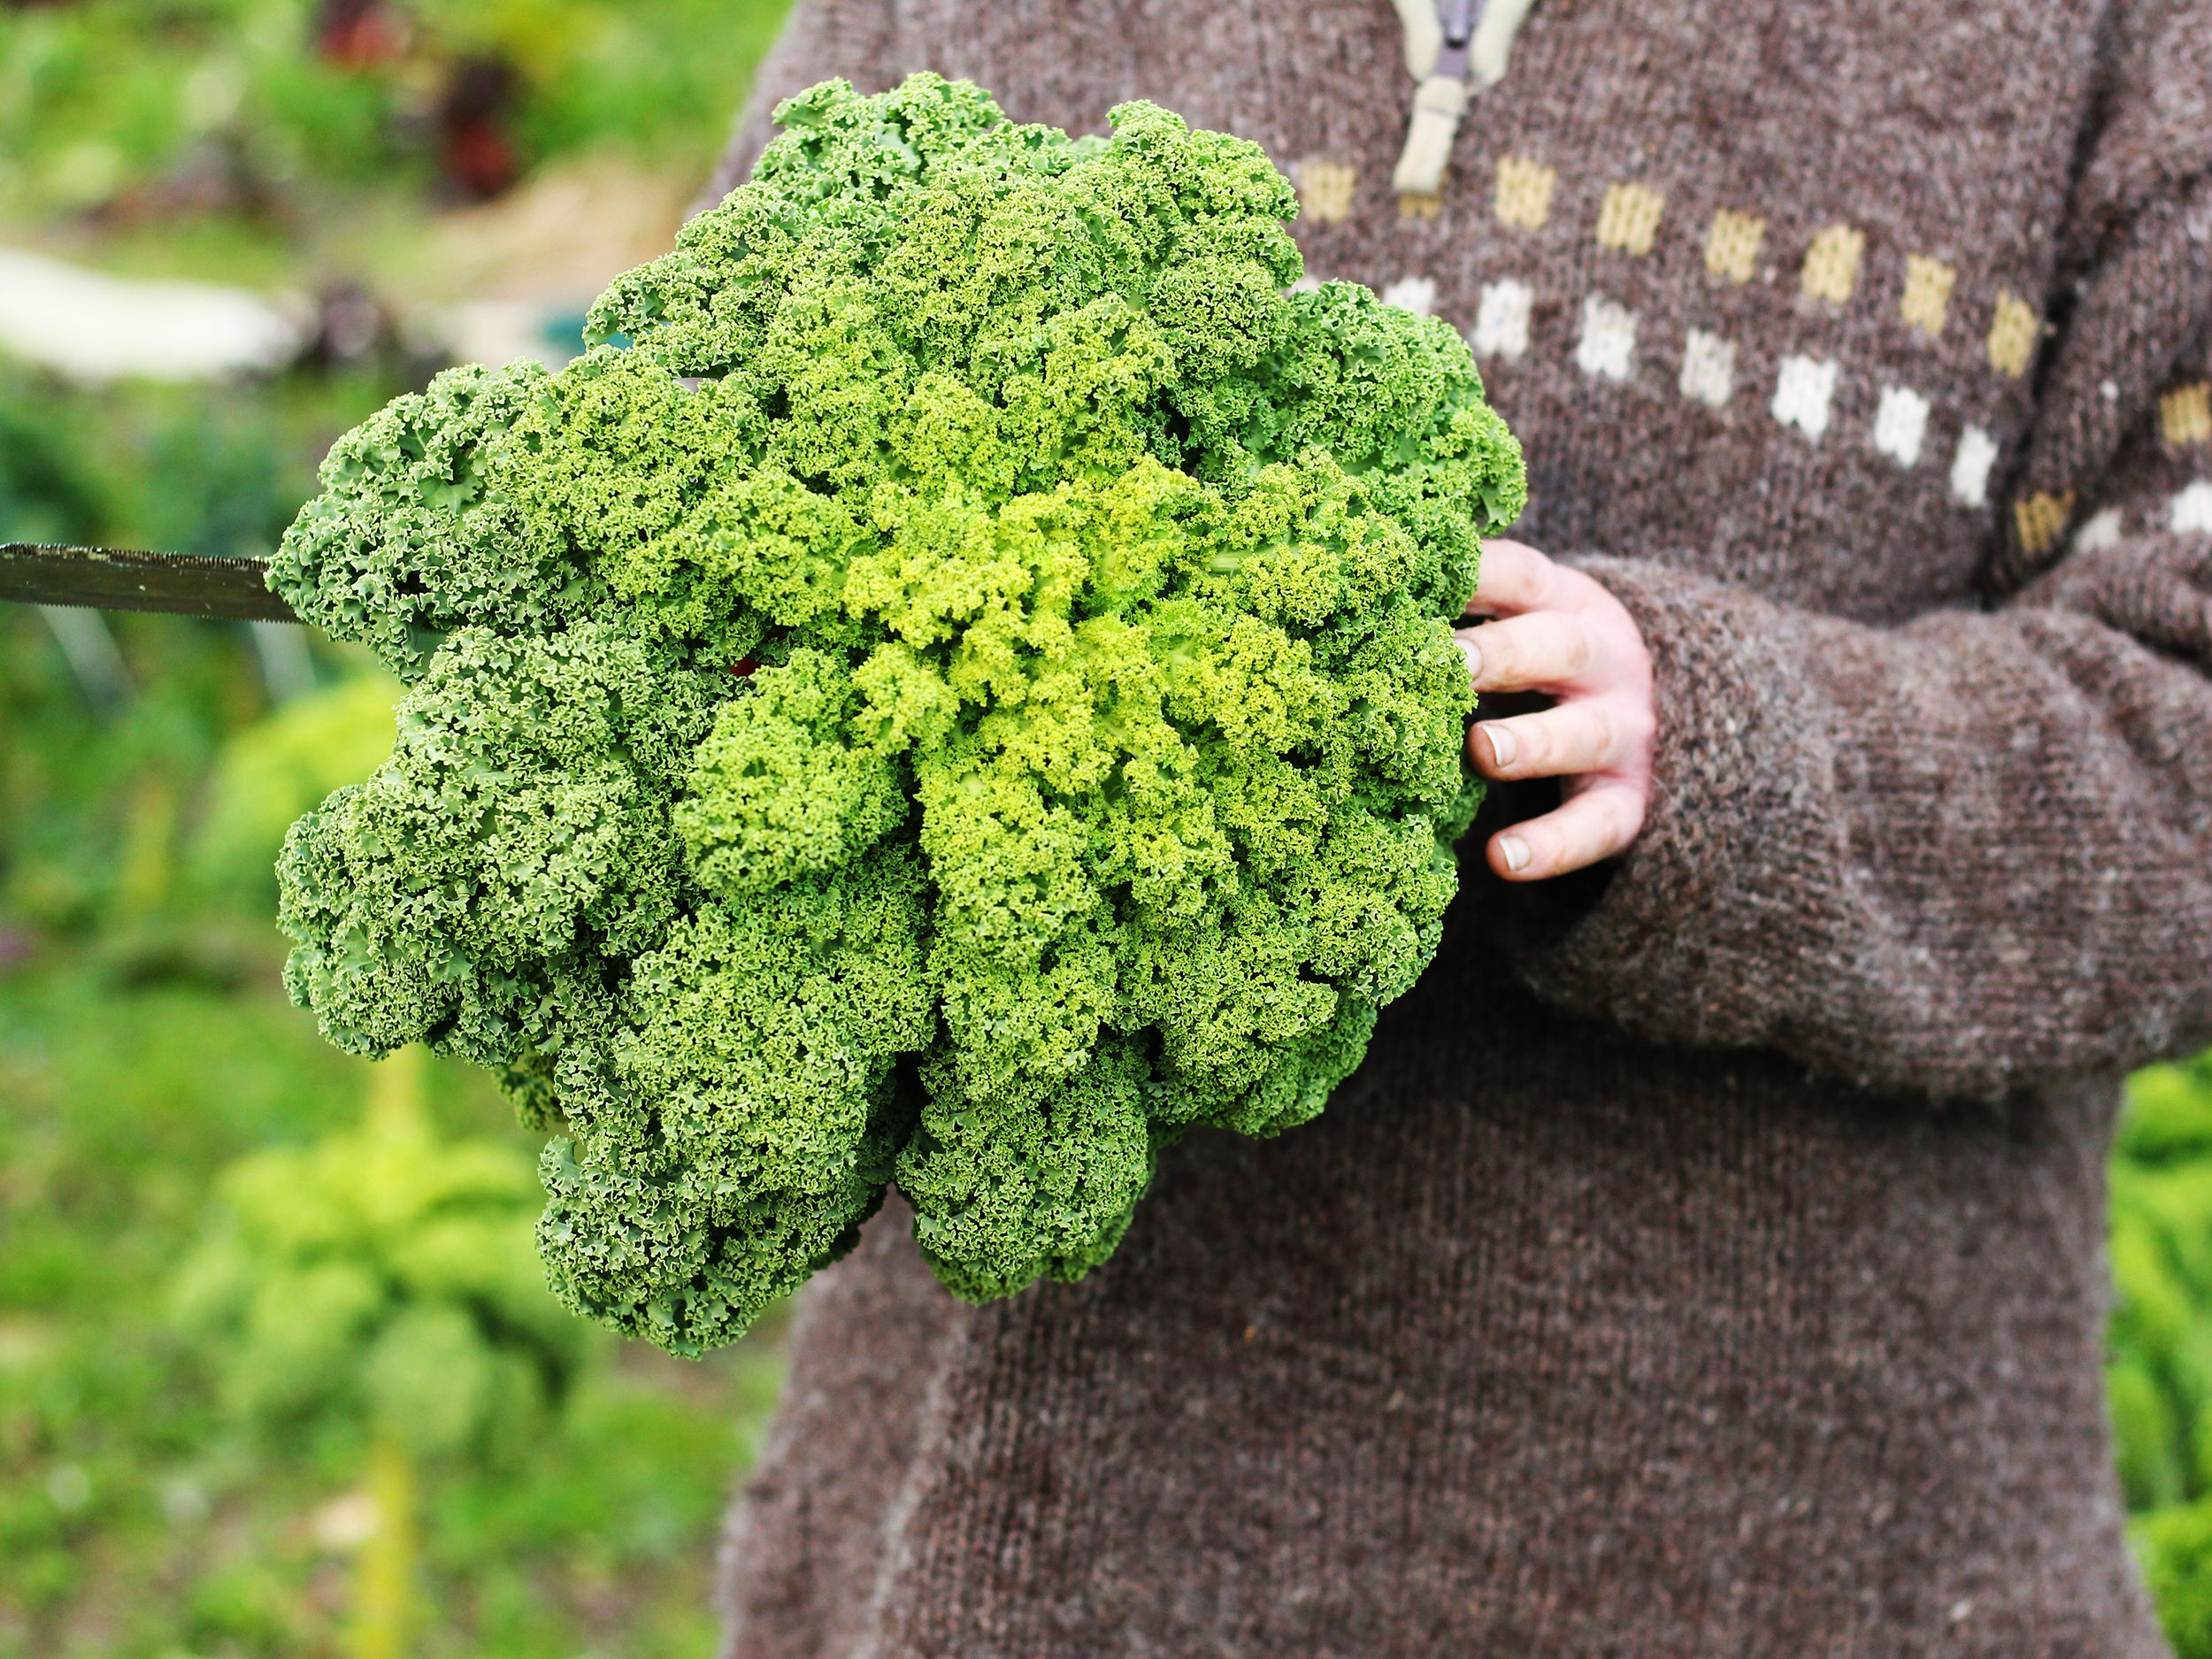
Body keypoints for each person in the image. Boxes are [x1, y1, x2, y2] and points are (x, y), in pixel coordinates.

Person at [703, 2, 2212, 1654]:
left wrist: (1725, 748)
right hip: (1010, 1554)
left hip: (1780, 1556)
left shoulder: (2108, 41)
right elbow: (687, 456)